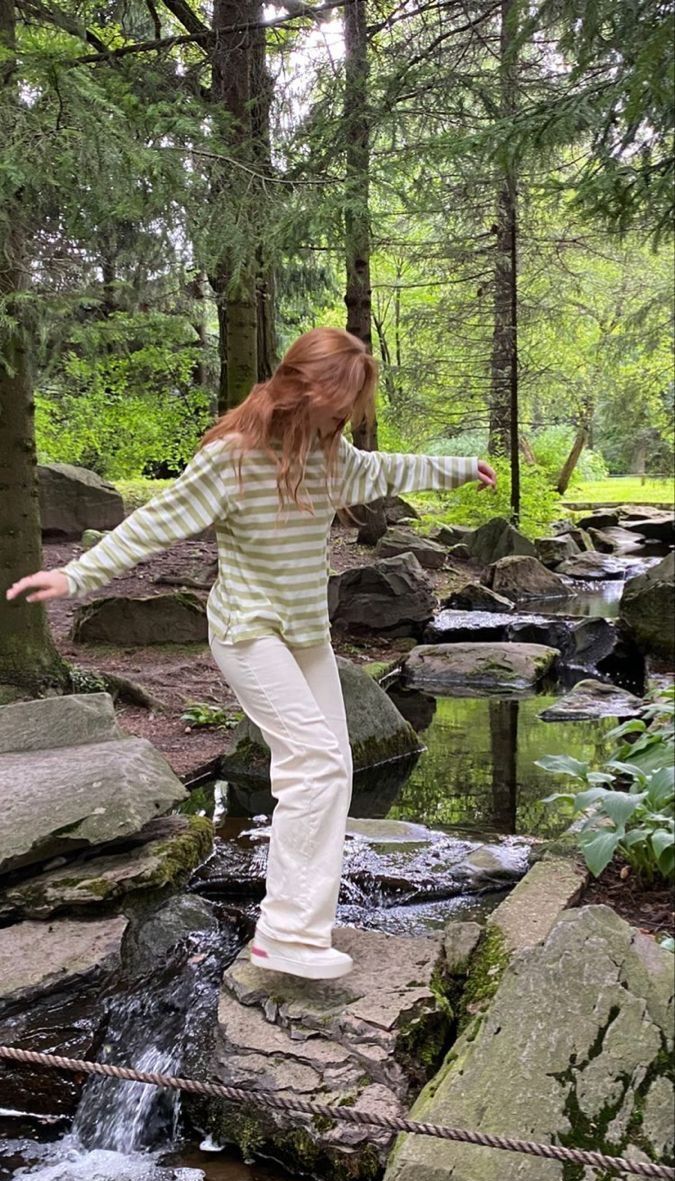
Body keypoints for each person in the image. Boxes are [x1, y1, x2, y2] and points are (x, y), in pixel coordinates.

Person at [7, 327, 496, 980]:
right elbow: (156, 522)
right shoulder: (233, 459)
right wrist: (77, 576)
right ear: (300, 388)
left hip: (304, 636)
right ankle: (285, 937)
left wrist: (460, 468)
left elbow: (389, 470)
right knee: (317, 761)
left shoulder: (335, 455)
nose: (345, 414)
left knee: (331, 769)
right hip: (246, 632)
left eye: (353, 404)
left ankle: (298, 926)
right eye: (338, 400)